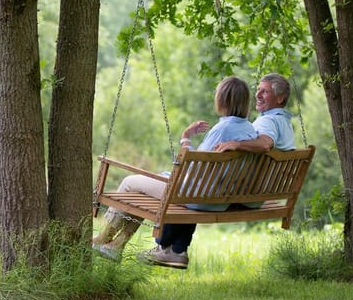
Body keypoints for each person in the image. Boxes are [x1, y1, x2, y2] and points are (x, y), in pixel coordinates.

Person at [92, 76, 259, 262]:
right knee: (144, 190)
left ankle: (104, 238)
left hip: (194, 195)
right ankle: (116, 245)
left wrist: (185, 139)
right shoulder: (250, 129)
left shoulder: (223, 129)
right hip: (218, 199)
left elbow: (194, 166)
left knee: (130, 183)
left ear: (223, 99)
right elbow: (205, 163)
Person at [138, 72, 296, 269]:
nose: (258, 95)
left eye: (264, 91)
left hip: (235, 196)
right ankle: (177, 250)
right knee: (195, 188)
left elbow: (264, 144)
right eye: (257, 91)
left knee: (152, 186)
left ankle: (119, 243)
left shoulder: (265, 123)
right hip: (249, 194)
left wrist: (187, 139)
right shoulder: (274, 125)